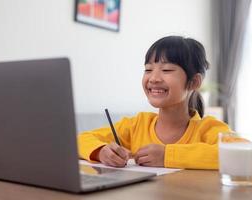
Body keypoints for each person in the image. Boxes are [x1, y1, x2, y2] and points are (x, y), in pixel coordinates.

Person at [77, 36, 231, 169]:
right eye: (148, 70)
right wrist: (101, 152)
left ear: (194, 82)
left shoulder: (207, 129)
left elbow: (240, 152)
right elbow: (80, 139)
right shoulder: (137, 125)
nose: (153, 78)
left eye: (167, 70)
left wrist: (167, 156)